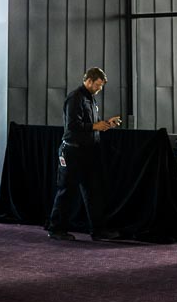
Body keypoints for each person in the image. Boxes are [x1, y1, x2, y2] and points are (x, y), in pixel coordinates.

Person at [49, 67, 124, 241]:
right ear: (89, 80)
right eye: (98, 85)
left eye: (101, 86)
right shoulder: (75, 98)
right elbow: (72, 126)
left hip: (88, 152)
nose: (100, 89)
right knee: (66, 191)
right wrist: (95, 126)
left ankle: (98, 230)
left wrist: (106, 123)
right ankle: (56, 229)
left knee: (93, 193)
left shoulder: (90, 99)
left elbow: (90, 124)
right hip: (72, 151)